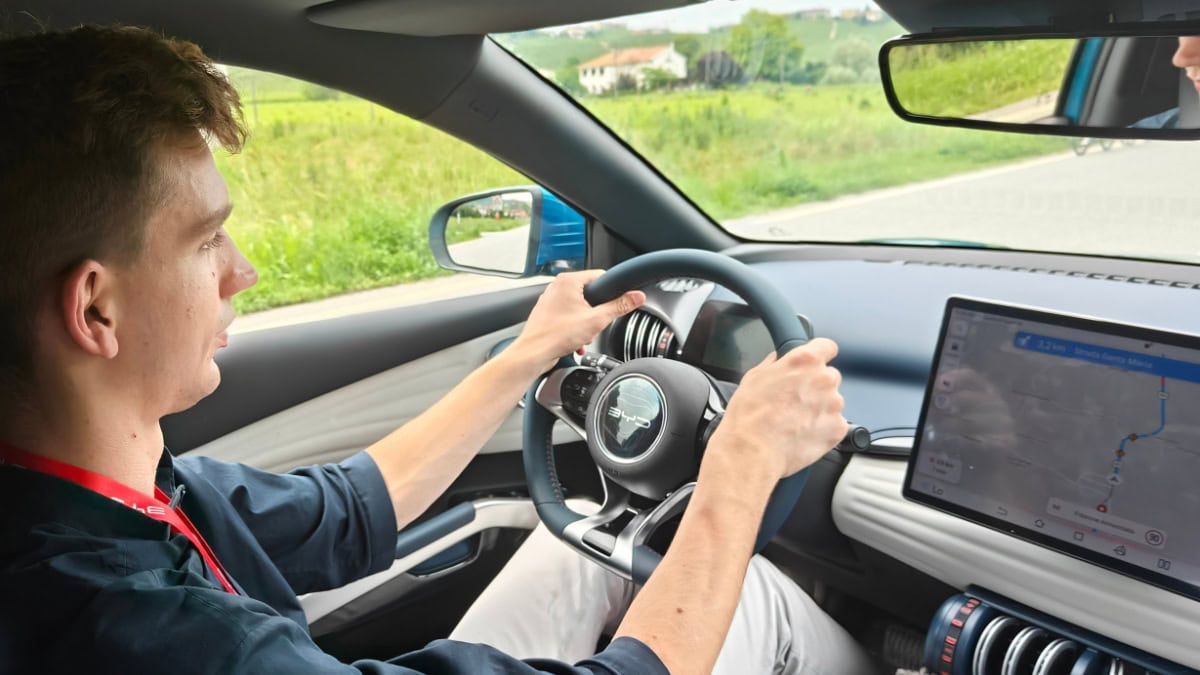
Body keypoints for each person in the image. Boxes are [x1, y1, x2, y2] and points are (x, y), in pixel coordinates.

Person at [0, 25, 875, 674]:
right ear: (96, 309)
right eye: (205, 241)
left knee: (578, 546)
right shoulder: (139, 628)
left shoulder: (131, 495)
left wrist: (525, 356)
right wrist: (740, 468)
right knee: (752, 600)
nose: (244, 271)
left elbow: (350, 510)